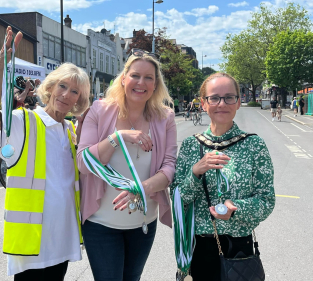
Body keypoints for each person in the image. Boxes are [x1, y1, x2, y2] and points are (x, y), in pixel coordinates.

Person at [0, 26, 90, 280]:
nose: (66, 95)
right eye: (62, 86)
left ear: (79, 100)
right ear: (51, 87)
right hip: (32, 244)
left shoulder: (70, 131)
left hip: (61, 238)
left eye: (74, 91)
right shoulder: (25, 121)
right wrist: (2, 66)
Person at [76, 48, 177, 281]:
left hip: (143, 223)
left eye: (148, 78)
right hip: (101, 223)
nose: (141, 82)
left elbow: (169, 167)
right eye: (135, 75)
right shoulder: (99, 111)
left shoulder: (165, 118)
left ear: (155, 84)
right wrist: (118, 137)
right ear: (123, 79)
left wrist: (139, 189)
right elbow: (83, 162)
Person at [170, 72, 275, 280]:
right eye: (214, 98)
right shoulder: (191, 145)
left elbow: (267, 200)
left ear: (238, 102)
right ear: (203, 103)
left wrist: (236, 210)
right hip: (198, 248)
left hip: (239, 248)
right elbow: (177, 200)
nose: (222, 104)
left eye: (229, 97)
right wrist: (195, 172)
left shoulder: (254, 145)